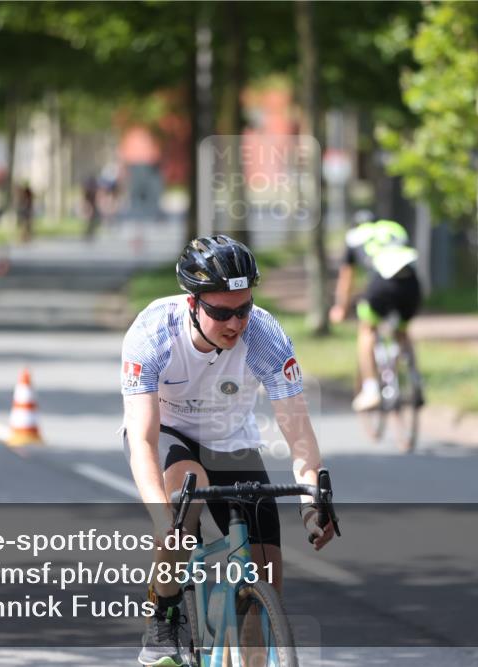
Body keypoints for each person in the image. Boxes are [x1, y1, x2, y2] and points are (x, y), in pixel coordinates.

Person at [121, 235, 336, 667]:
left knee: (266, 581)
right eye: (222, 313)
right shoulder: (153, 333)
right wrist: (163, 520)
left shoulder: (264, 336)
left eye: (243, 309)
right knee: (187, 492)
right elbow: (142, 439)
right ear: (192, 303)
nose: (236, 324)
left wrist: (314, 501)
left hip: (231, 441)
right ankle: (163, 615)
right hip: (169, 433)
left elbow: (299, 436)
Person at [329, 211, 425, 412]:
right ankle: (415, 380)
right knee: (402, 332)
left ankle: (371, 389)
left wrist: (341, 308)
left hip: (383, 283)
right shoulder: (393, 227)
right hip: (411, 283)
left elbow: (347, 279)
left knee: (367, 330)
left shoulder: (354, 236)